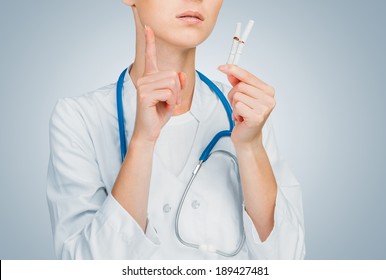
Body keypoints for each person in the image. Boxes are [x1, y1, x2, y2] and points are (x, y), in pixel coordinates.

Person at [47, 0, 305, 259]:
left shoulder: (245, 111)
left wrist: (250, 147)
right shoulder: (79, 118)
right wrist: (142, 141)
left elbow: (288, 261)